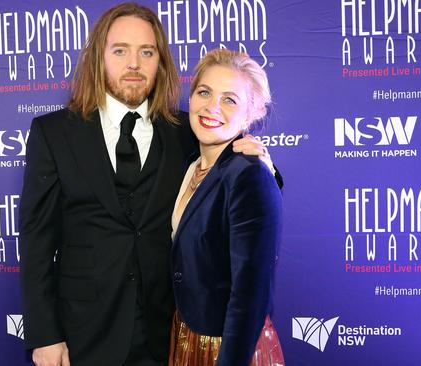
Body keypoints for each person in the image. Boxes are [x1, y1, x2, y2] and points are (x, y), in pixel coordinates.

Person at [19, 3, 278, 366]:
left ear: (161, 61)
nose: (134, 64)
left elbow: (235, 181)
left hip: (169, 334)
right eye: (120, 50)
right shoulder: (53, 133)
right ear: (99, 56)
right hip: (84, 334)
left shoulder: (188, 130)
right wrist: (45, 334)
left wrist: (267, 166)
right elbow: (37, 241)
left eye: (147, 52)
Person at [168, 49, 285, 366]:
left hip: (230, 348)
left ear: (252, 114)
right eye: (204, 92)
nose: (211, 107)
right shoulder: (190, 164)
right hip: (187, 336)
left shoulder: (249, 175)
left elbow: (250, 297)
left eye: (230, 100)